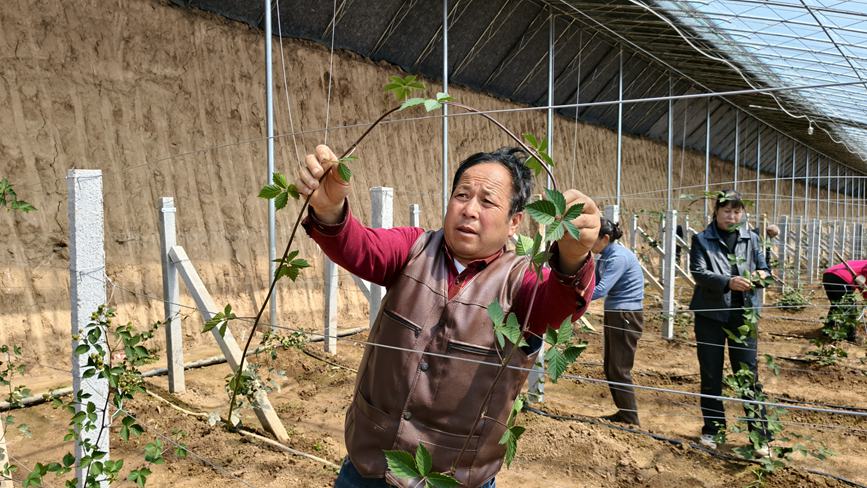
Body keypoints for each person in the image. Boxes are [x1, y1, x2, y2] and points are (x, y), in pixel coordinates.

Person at [296, 145, 599, 488]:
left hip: (456, 477)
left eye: (487, 202)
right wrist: (330, 208)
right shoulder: (413, 249)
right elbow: (360, 247)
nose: (469, 210)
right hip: (370, 466)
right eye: (462, 195)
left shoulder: (522, 281)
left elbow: (555, 307)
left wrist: (573, 257)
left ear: (515, 221)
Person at [688, 190, 771, 456]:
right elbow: (699, 272)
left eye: (737, 211)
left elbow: (766, 271)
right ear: (716, 212)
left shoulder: (752, 239)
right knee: (711, 374)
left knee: (748, 375)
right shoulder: (702, 239)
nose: (732, 216)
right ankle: (713, 430)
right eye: (727, 211)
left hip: (743, 316)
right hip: (710, 315)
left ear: (742, 213)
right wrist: (727, 281)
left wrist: (759, 275)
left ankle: (760, 437)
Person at [590, 217, 645, 426]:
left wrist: (575, 298)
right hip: (616, 312)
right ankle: (624, 414)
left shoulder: (618, 257)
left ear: (605, 238)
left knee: (620, 368)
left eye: (592, 238)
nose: (588, 242)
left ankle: (631, 420)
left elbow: (601, 289)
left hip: (626, 315)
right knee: (611, 366)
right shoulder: (603, 256)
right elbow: (592, 282)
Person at [821, 259, 867, 342]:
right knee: (850, 308)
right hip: (841, 278)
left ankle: (827, 330)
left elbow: (862, 283)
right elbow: (864, 279)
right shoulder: (865, 265)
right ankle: (850, 336)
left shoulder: (861, 262)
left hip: (828, 275)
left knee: (837, 305)